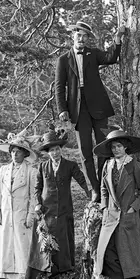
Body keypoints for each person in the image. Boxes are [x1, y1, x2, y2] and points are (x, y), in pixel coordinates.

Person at [55, 21, 123, 195]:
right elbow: (59, 86)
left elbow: (111, 58)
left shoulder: (93, 54)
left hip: (99, 107)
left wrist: (116, 41)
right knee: (85, 151)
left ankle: (104, 185)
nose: (82, 39)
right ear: (73, 36)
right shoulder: (63, 60)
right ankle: (94, 189)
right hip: (78, 111)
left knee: (103, 147)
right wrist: (62, 109)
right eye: (79, 35)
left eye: (85, 36)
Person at [29, 128, 93, 279]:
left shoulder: (70, 165)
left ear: (61, 149)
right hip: (46, 208)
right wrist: (38, 204)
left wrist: (92, 196)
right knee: (47, 236)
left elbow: (83, 181)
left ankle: (65, 266)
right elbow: (37, 188)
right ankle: (47, 266)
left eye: (57, 149)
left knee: (63, 235)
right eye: (52, 150)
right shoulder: (42, 167)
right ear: (47, 152)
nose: (55, 153)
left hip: (64, 207)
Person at [92, 129, 140, 279]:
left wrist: (133, 208)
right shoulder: (108, 165)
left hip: (127, 214)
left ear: (125, 148)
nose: (116, 149)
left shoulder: (134, 165)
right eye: (113, 147)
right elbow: (103, 188)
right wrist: (104, 207)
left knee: (128, 250)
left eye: (119, 146)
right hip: (110, 214)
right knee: (109, 249)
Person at [0, 131, 40, 279]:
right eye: (13, 152)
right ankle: (3, 271)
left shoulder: (31, 171)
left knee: (21, 241)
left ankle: (23, 272)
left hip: (21, 212)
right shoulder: (3, 170)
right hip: (6, 212)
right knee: (5, 241)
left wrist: (30, 216)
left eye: (18, 152)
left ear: (25, 154)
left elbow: (33, 196)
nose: (15, 155)